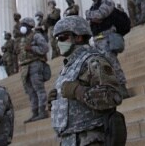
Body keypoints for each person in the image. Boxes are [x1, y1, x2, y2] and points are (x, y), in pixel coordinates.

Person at [49, 15, 126, 145]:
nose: (59, 42)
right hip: (69, 140)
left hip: (89, 139)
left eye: (63, 38)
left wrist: (77, 91)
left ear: (78, 37)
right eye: (57, 39)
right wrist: (55, 101)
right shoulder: (68, 66)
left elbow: (113, 96)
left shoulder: (93, 61)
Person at [85, 0, 129, 97]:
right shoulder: (94, 5)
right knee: (101, 66)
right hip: (97, 39)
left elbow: (100, 15)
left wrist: (89, 14)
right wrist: (92, 15)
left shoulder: (107, 1)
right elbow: (94, 18)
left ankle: (122, 87)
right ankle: (111, 87)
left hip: (107, 37)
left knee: (112, 62)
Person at [16, 16, 50, 123]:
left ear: (29, 26)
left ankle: (42, 111)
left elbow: (45, 48)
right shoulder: (22, 39)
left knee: (38, 89)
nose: (22, 27)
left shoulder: (36, 36)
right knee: (30, 91)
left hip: (35, 64)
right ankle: (35, 113)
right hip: (25, 67)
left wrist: (32, 48)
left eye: (24, 25)